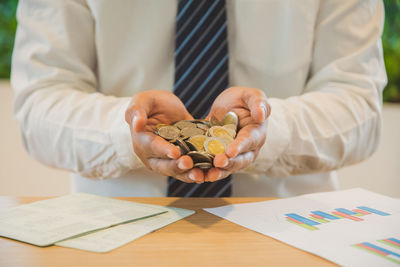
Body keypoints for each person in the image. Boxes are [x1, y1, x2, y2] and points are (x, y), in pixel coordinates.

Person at [11, 0, 386, 197]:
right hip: (116, 228)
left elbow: (360, 107)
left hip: (287, 228)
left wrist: (270, 130)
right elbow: (40, 103)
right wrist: (127, 131)